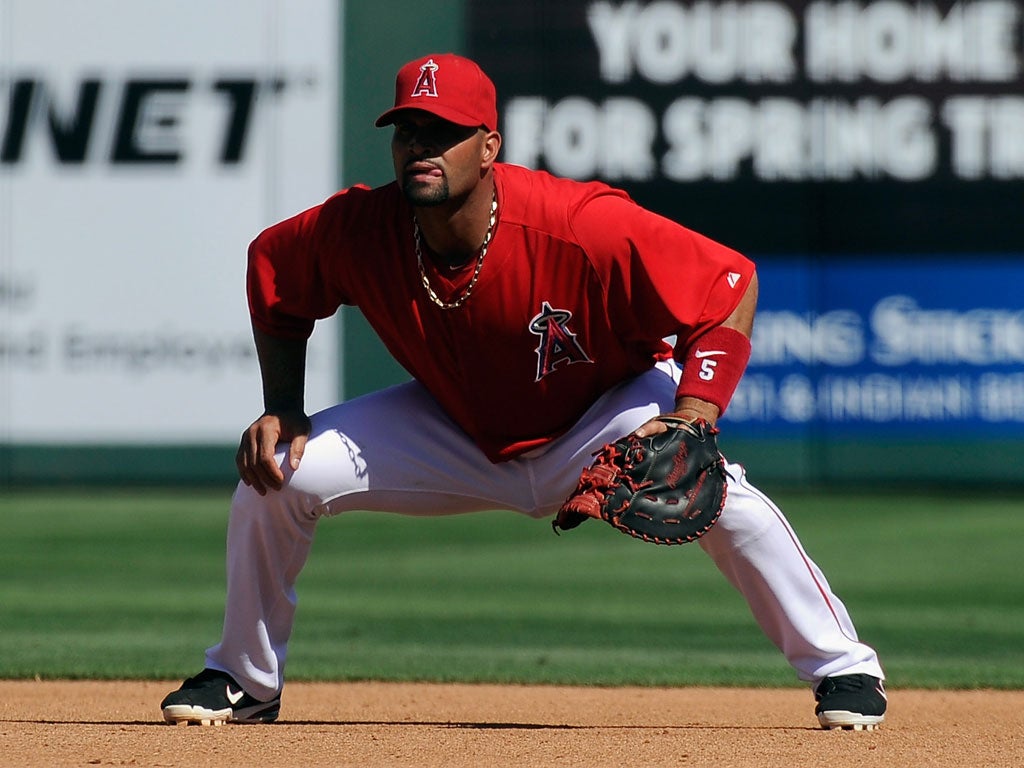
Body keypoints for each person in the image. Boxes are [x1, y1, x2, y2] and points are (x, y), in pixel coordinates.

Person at [160, 53, 886, 730]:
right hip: (456, 426)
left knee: (729, 506)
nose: (421, 147)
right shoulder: (360, 230)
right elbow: (275, 273)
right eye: (408, 131)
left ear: (487, 146)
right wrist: (283, 406)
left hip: (603, 412)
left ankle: (845, 670)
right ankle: (243, 679)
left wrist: (694, 415)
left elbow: (728, 282)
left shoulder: (579, 224)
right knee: (275, 477)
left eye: (442, 133)